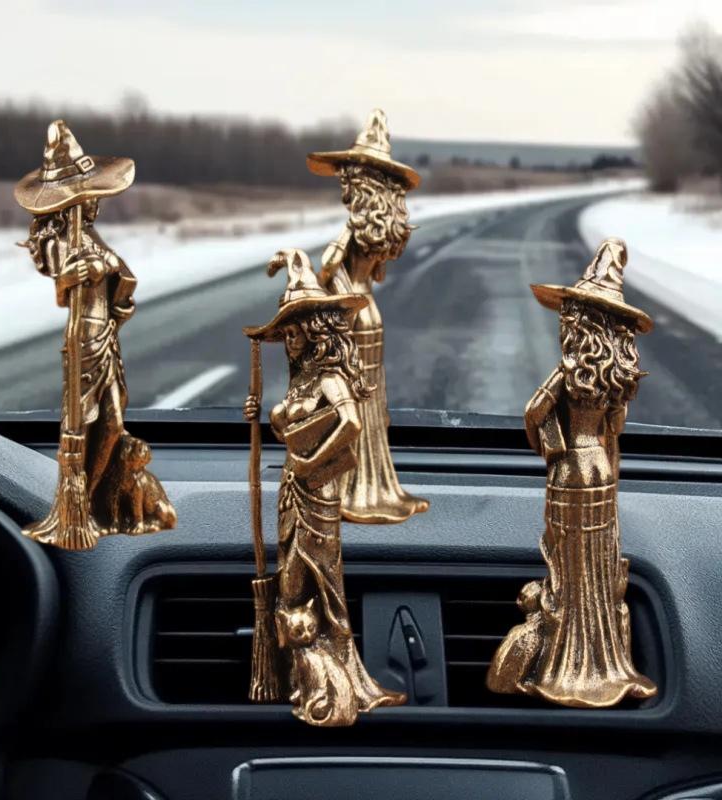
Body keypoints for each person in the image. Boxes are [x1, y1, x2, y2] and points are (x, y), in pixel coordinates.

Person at [486, 238, 658, 708]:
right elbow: (614, 429)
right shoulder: (614, 376)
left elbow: (533, 411)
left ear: (582, 322)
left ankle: (569, 664)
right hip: (600, 470)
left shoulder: (568, 372)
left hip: (570, 473)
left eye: (572, 315)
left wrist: (552, 446)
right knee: (596, 567)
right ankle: (603, 660)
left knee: (570, 568)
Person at [244, 249, 406, 726]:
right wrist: (262, 415)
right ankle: (301, 678)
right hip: (292, 489)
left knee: (313, 585)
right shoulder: (304, 379)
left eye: (296, 333)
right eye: (286, 335)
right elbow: (289, 429)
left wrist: (313, 460)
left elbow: (351, 422)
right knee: (291, 582)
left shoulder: (331, 377)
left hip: (318, 492)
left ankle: (336, 679)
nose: (289, 342)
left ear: (317, 332)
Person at [16, 120, 175, 545]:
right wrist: (76, 272)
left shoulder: (89, 235)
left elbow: (117, 290)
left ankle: (95, 500)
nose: (95, 206)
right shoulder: (61, 240)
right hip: (84, 338)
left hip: (106, 336)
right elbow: (61, 290)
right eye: (89, 199)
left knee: (113, 420)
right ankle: (77, 506)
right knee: (85, 421)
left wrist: (120, 298)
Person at [306, 109, 429, 524]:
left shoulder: (356, 228)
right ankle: (364, 488)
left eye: (352, 180)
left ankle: (369, 489)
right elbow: (369, 274)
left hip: (357, 315)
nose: (346, 187)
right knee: (365, 404)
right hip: (365, 312)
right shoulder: (375, 227)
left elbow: (330, 271)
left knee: (365, 404)